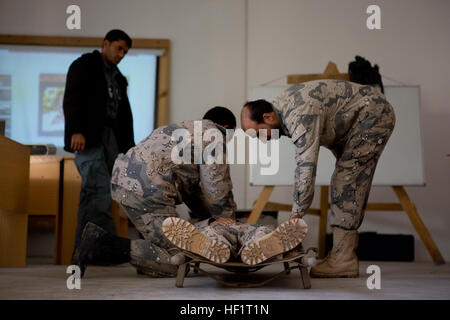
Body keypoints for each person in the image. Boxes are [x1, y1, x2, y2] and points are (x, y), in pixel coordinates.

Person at [240, 79, 395, 278]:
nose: (262, 140)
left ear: (268, 117)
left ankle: (343, 260)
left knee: (347, 182)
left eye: (259, 133)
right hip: (352, 122)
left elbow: (306, 168)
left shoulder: (298, 113)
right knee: (345, 180)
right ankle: (342, 255)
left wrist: (295, 218)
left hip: (373, 115)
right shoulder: (282, 109)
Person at [73, 107, 240, 277]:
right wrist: (230, 225)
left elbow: (193, 192)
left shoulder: (184, 129)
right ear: (226, 127)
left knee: (174, 242)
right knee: (181, 259)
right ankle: (100, 245)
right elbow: (217, 188)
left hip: (129, 183)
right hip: (147, 193)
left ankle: (145, 260)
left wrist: (210, 220)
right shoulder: (214, 135)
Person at [63, 29, 135, 256]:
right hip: (88, 138)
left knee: (96, 195)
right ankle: (103, 251)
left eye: (125, 51)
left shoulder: (118, 78)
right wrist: (76, 131)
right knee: (98, 191)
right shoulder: (84, 65)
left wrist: (130, 149)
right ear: (106, 44)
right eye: (119, 48)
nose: (121, 54)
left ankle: (88, 252)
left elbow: (125, 117)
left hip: (112, 141)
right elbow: (72, 99)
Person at [161, 216, 308, 265]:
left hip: (248, 227)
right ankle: (217, 248)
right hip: (220, 228)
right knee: (212, 233)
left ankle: (259, 246)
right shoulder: (208, 223)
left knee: (264, 232)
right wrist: (212, 221)